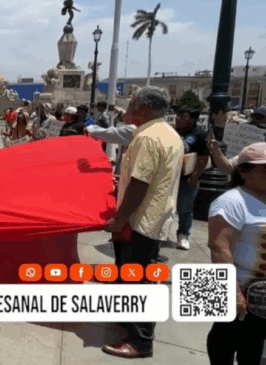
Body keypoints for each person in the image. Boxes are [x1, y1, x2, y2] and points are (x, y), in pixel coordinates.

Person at [102, 86, 183, 359]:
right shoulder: (169, 134)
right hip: (155, 219)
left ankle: (140, 342)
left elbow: (140, 183)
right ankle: (127, 321)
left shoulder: (146, 138)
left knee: (138, 280)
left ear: (144, 107)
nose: (127, 110)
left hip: (140, 222)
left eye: (131, 105)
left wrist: (119, 218)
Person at [206, 143, 266, 365]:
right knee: (225, 340)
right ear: (243, 171)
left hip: (261, 297)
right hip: (239, 288)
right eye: (265, 168)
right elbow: (218, 245)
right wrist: (233, 292)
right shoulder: (231, 201)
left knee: (254, 345)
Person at [173, 107, 209, 251]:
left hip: (187, 178)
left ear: (192, 119)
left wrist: (195, 176)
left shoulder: (200, 135)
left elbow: (203, 158)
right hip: (169, 176)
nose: (177, 117)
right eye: (178, 114)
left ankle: (183, 234)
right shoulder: (172, 132)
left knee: (185, 208)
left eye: (183, 115)